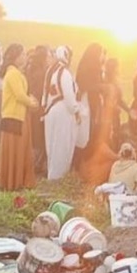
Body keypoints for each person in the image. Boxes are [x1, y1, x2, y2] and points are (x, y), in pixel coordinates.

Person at [0, 44, 39, 191]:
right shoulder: (13, 73)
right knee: (15, 150)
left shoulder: (16, 73)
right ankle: (13, 181)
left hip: (18, 115)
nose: (25, 57)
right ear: (15, 57)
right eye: (22, 54)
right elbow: (20, 95)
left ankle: (16, 180)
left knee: (19, 150)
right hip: (14, 117)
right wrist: (32, 102)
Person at [43, 46, 80, 180]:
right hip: (63, 112)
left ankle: (52, 174)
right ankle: (58, 176)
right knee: (61, 144)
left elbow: (44, 95)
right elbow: (69, 97)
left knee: (52, 145)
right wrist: (76, 110)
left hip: (50, 111)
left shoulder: (50, 71)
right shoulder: (64, 73)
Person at [74, 43, 107, 157]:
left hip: (94, 102)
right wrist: (101, 87)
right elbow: (85, 85)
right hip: (87, 103)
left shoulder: (96, 67)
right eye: (101, 53)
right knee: (87, 131)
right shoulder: (87, 68)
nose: (102, 56)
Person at [25, 45, 51, 174]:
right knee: (39, 137)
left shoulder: (31, 69)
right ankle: (36, 165)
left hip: (31, 106)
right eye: (48, 56)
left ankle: (33, 164)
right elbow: (41, 92)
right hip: (39, 108)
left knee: (34, 137)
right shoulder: (42, 73)